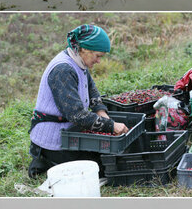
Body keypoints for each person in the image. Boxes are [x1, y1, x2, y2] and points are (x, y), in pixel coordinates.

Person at [28, 25, 128, 178]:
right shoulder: (63, 70)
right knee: (99, 169)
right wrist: (111, 126)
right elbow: (77, 115)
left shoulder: (79, 63)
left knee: (111, 160)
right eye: (98, 56)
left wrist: (103, 116)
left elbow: (93, 93)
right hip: (55, 138)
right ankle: (45, 160)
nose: (99, 61)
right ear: (84, 50)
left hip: (71, 132)